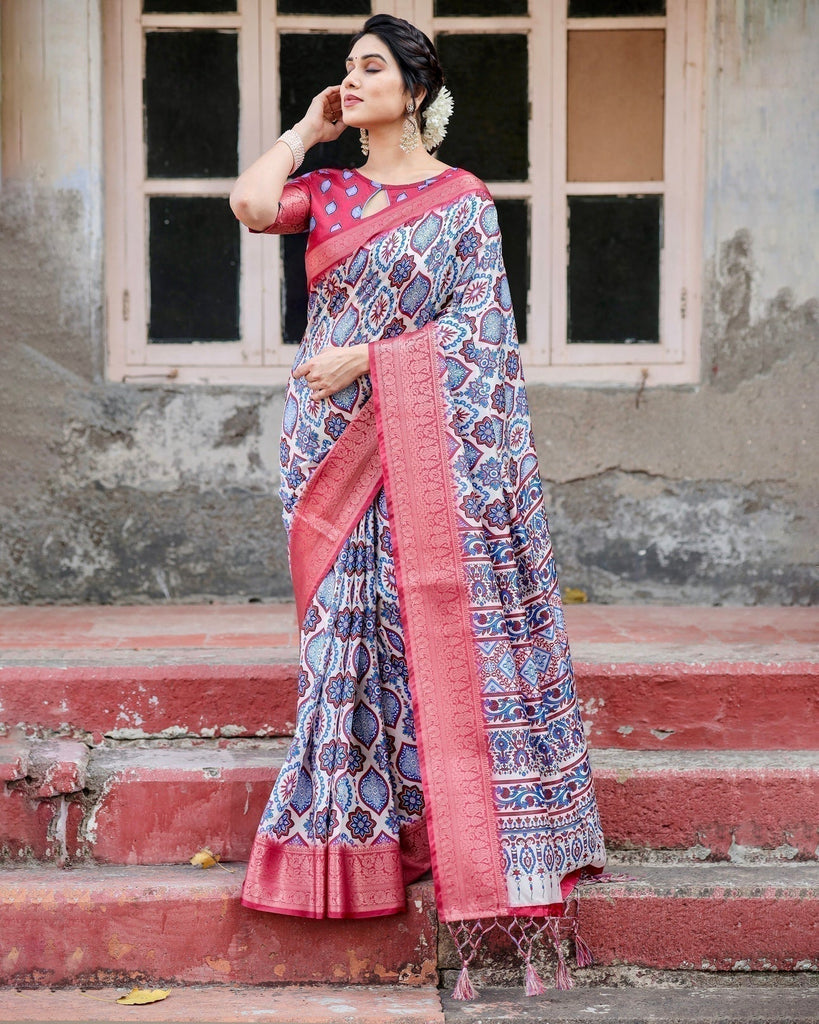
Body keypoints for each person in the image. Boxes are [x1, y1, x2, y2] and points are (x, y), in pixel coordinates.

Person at [230, 13, 606, 999]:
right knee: (343, 644)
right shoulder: (333, 187)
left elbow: (483, 346)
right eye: (345, 69)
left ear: (417, 86)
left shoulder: (462, 202)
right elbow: (248, 202)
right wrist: (307, 131)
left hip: (417, 441)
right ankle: (345, 856)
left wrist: (376, 359)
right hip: (328, 449)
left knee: (418, 639)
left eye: (370, 69)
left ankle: (439, 837)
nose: (351, 81)